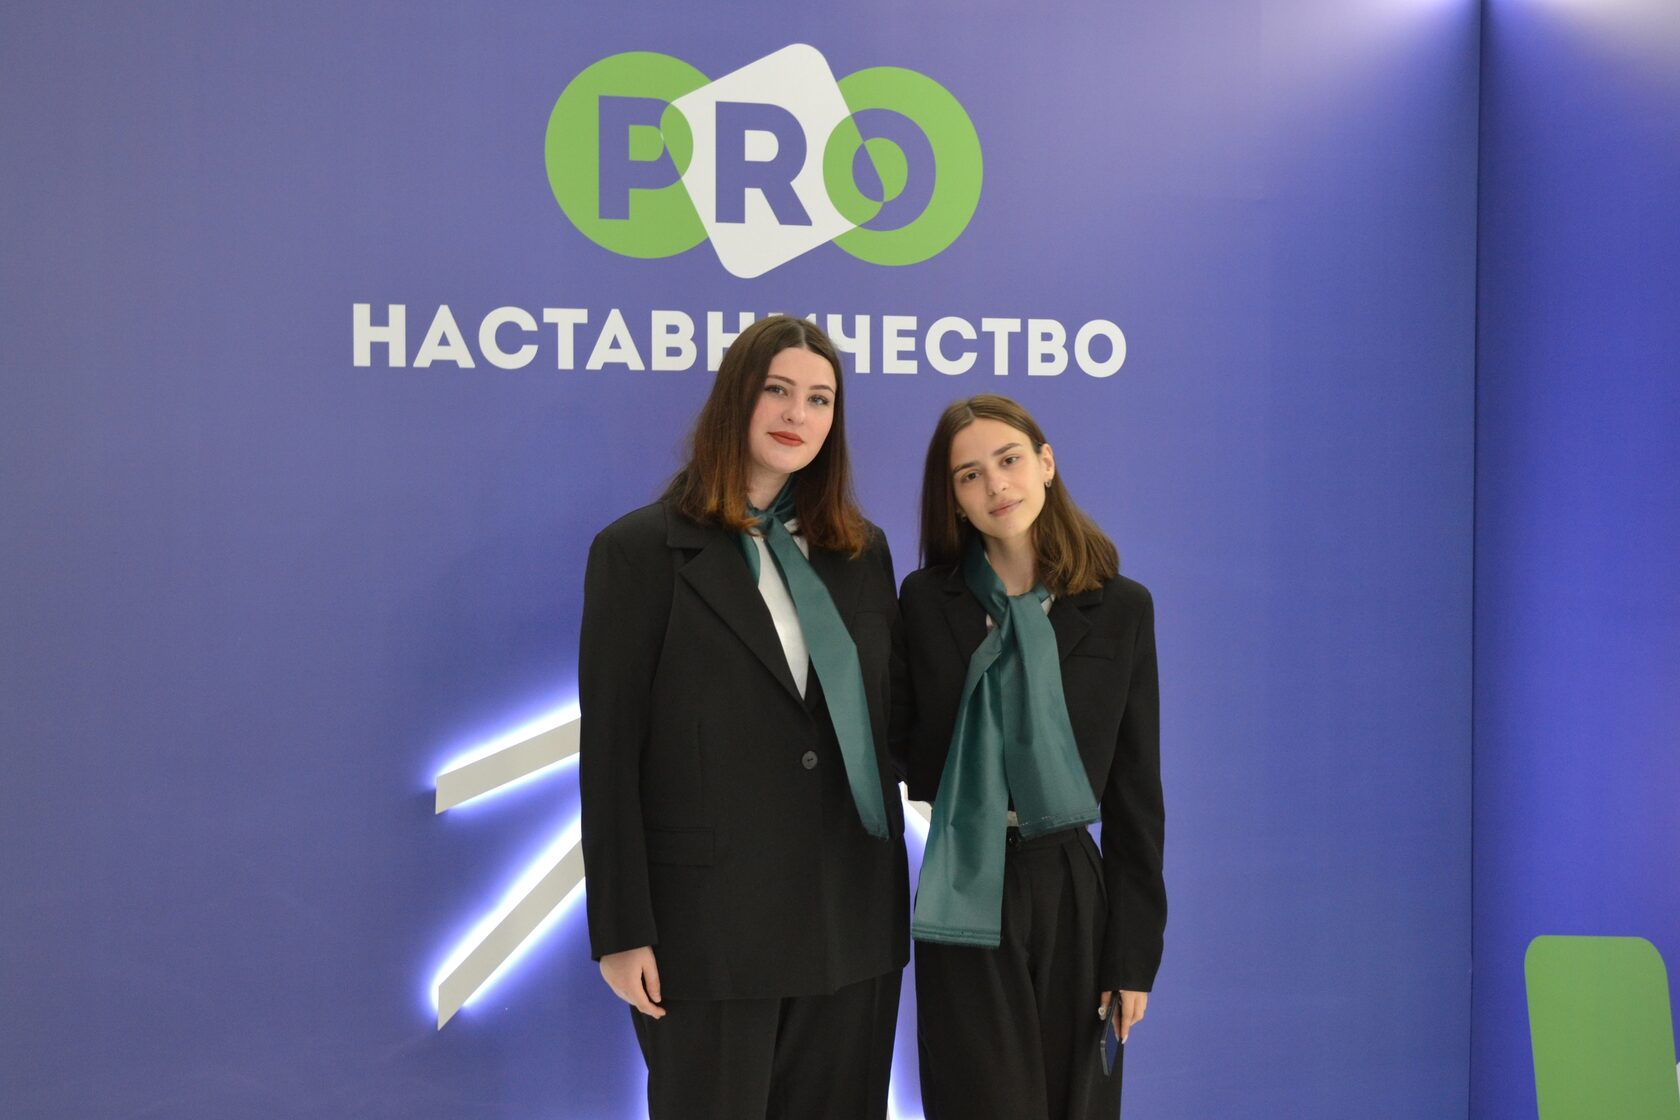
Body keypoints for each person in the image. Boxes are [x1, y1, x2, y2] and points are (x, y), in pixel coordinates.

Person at [577, 315, 908, 1120]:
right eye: (778, 390)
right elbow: (611, 755)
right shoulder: (638, 551)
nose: (799, 414)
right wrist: (620, 930)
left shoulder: (862, 553)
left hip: (851, 917)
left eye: (820, 399)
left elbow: (889, 721)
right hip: (706, 930)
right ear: (736, 399)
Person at [893, 394, 1165, 1120]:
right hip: (966, 875)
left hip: (1071, 880)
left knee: (1077, 1102)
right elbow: (901, 744)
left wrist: (1132, 955)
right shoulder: (925, 602)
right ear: (953, 499)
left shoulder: (1121, 608)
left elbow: (1137, 797)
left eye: (1009, 460)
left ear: (1045, 464)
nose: (996, 486)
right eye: (969, 475)